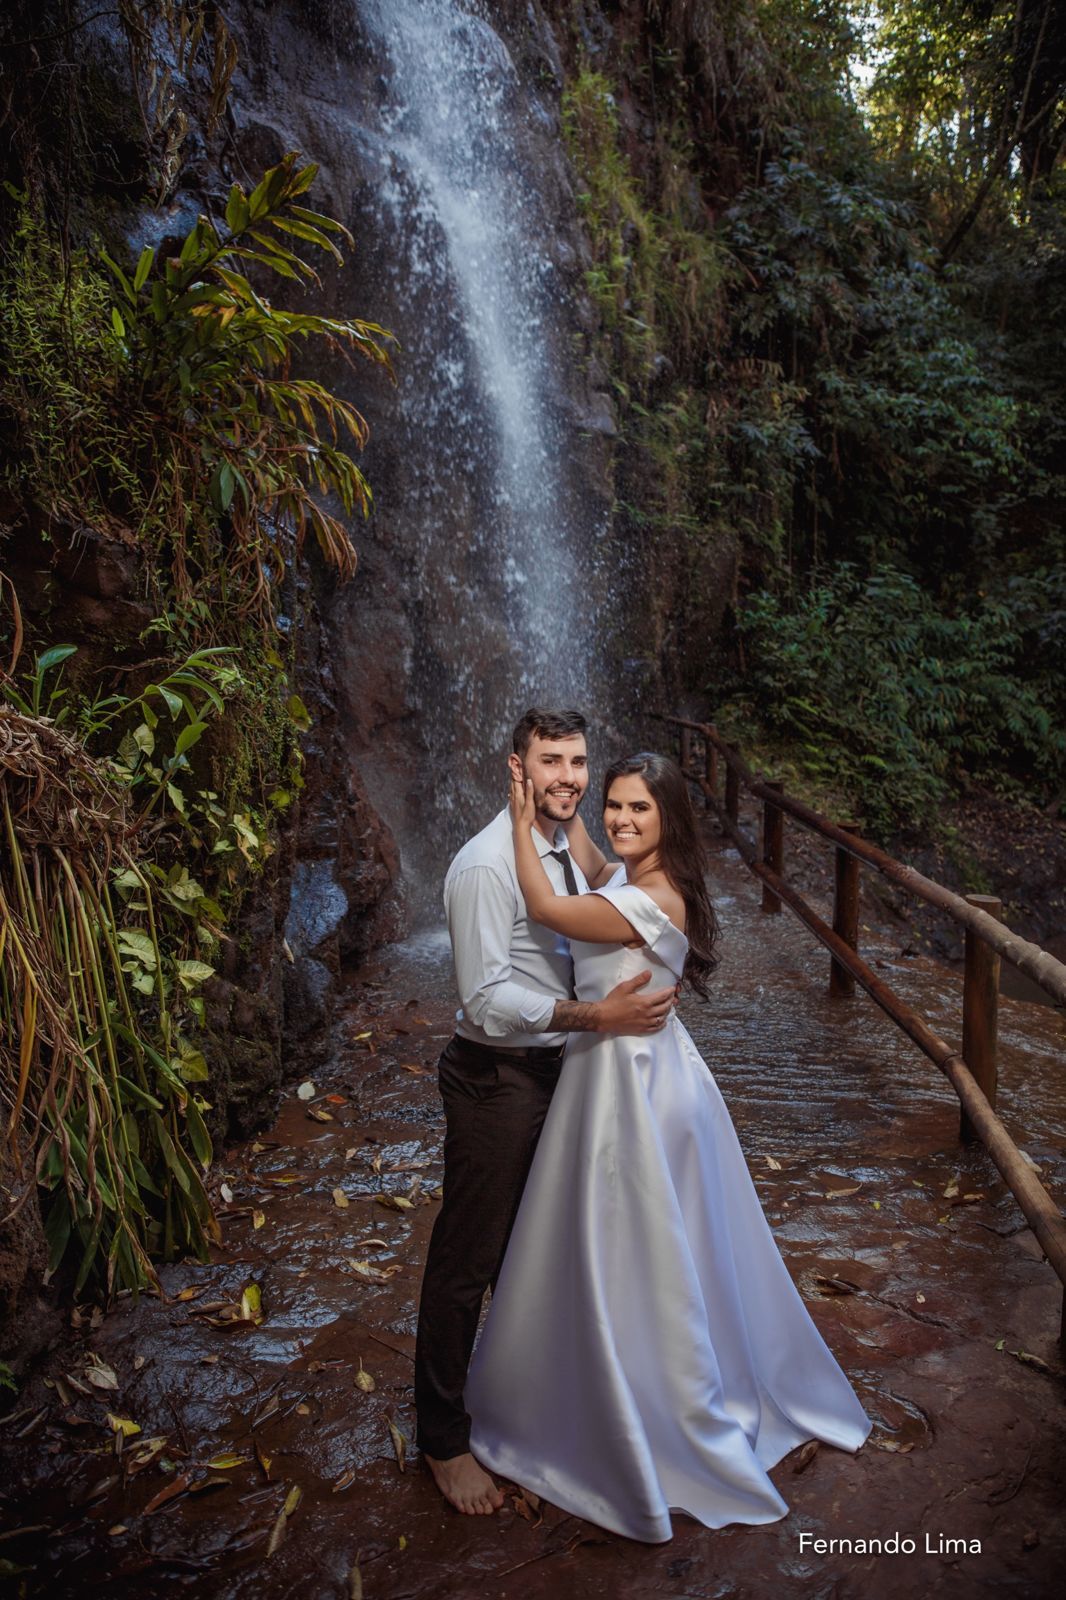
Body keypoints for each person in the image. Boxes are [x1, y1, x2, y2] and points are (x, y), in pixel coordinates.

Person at [464, 751, 873, 1543]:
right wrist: (560, 796)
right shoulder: (621, 871)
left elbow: (548, 909)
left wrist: (520, 819)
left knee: (636, 1246)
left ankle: (658, 1408)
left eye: (637, 811)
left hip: (638, 1087)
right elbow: (582, 848)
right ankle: (610, 1386)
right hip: (614, 1072)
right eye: (613, 806)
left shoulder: (656, 897)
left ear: (671, 821)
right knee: (630, 1248)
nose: (618, 821)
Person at [414, 711, 679, 1516]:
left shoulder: (565, 847)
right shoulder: (487, 867)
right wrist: (597, 1020)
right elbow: (486, 1001)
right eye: (549, 762)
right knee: (469, 1256)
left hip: (562, 1076)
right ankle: (442, 1442)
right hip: (497, 1079)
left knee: (542, 1254)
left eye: (577, 762)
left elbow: (616, 912)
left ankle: (533, 1413)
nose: (568, 776)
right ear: (517, 768)